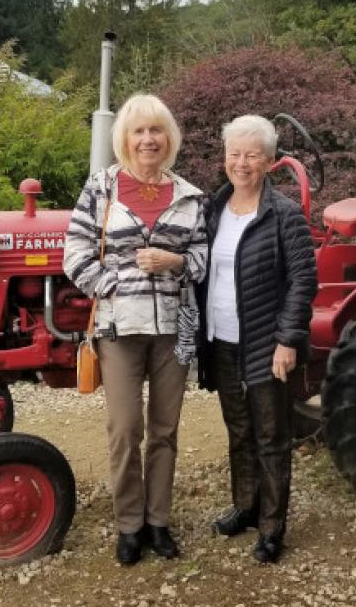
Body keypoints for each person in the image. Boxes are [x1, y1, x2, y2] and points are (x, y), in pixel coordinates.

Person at [63, 94, 208, 566]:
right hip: (119, 328)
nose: (148, 139)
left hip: (171, 329)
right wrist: (114, 284)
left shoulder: (189, 195)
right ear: (124, 139)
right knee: (126, 429)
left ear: (169, 138)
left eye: (156, 130)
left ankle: (158, 522)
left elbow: (204, 260)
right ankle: (129, 524)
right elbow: (75, 253)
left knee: (165, 430)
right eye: (139, 131)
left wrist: (177, 261)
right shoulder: (101, 188)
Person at [197, 114, 318, 564]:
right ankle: (245, 506)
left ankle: (272, 527)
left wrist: (288, 339)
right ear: (225, 158)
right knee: (239, 430)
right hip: (222, 339)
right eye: (234, 154)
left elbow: (303, 280)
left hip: (267, 342)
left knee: (271, 435)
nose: (241, 163)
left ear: (269, 162)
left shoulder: (283, 214)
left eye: (252, 155)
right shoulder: (213, 209)